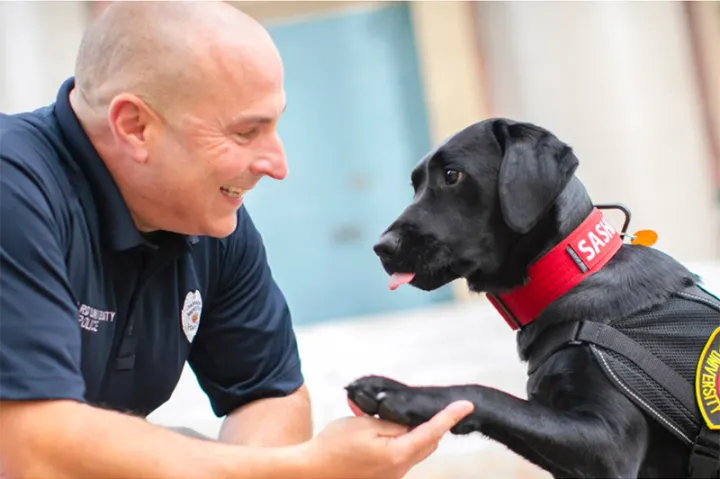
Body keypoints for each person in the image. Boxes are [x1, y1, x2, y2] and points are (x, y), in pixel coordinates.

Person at [0, 1, 473, 478]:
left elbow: (270, 393)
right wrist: (307, 469)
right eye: (246, 132)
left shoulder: (203, 220)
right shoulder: (13, 188)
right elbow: (28, 450)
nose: (278, 164)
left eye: (275, 124)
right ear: (134, 126)